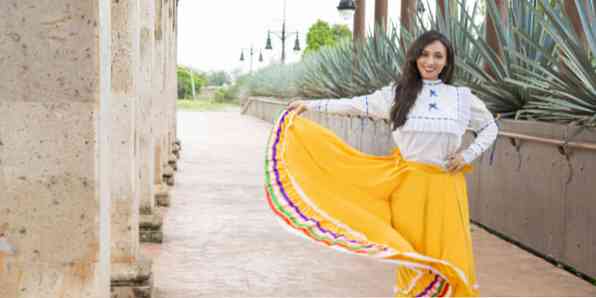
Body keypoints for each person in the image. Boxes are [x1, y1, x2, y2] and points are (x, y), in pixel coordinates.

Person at [264, 30, 498, 297]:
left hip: (446, 189)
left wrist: (467, 155)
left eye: (438, 56)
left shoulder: (462, 98)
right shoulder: (397, 94)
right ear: (414, 57)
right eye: (424, 54)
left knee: (451, 253)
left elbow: (490, 127)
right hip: (408, 188)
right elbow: (354, 105)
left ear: (447, 62)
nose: (430, 61)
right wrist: (309, 105)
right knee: (412, 258)